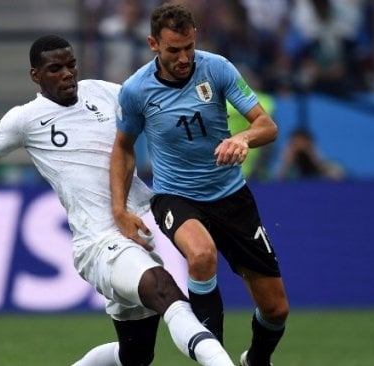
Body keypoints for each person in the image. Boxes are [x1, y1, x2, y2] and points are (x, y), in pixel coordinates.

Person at [0, 34, 234, 366]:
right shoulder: (25, 119)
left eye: (71, 65)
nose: (67, 74)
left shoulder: (105, 92)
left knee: (135, 355)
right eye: (55, 68)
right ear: (35, 76)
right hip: (99, 244)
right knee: (166, 290)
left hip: (138, 231)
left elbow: (155, 104)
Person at [110, 4, 289, 366]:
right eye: (173, 50)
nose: (184, 57)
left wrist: (243, 139)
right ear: (153, 44)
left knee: (276, 309)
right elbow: (123, 148)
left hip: (231, 197)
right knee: (202, 255)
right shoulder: (136, 91)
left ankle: (256, 359)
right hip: (176, 197)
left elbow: (266, 126)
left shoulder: (217, 68)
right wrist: (120, 209)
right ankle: (214, 358)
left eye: (189, 47)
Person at [276, 128, 344, 180]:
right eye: (295, 144)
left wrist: (316, 160)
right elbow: (273, 186)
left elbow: (338, 179)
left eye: (305, 145)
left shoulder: (330, 166)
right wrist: (286, 164)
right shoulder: (289, 171)